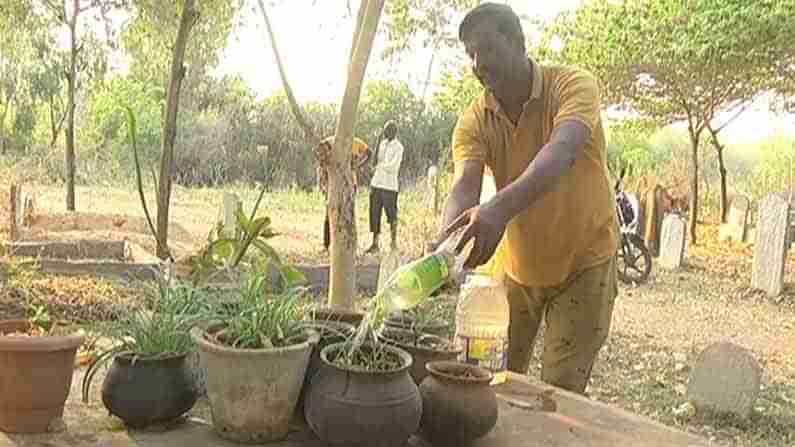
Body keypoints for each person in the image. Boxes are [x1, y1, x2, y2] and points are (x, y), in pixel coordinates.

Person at [429, 3, 619, 395]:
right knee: (485, 378)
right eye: (470, 54)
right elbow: (465, 184)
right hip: (518, 266)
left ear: (518, 43)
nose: (479, 63)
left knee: (560, 391)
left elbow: (561, 153)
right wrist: (446, 243)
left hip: (584, 264)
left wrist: (497, 209)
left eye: (487, 49)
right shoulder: (475, 118)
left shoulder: (572, 85)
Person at [314, 135, 369, 252]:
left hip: (349, 185)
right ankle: (327, 244)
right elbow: (319, 156)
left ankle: (348, 245)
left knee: (348, 214)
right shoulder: (330, 142)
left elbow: (369, 153)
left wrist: (358, 165)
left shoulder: (355, 142)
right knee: (330, 213)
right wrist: (323, 181)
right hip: (333, 185)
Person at [364, 120, 404, 254]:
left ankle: (393, 243)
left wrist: (379, 167)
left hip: (389, 186)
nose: (385, 133)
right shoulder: (382, 144)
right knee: (374, 213)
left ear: (393, 132)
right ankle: (375, 244)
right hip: (376, 183)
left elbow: (393, 167)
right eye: (384, 131)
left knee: (391, 215)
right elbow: (377, 160)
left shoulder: (398, 147)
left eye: (387, 131)